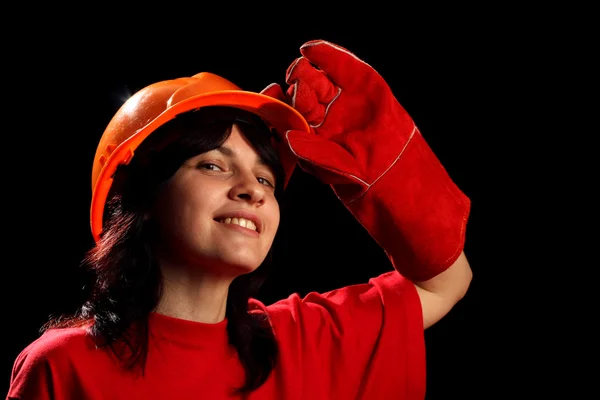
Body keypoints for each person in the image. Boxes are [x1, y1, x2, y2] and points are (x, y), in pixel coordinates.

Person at [6, 40, 473, 399]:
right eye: (213, 165)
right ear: (143, 199)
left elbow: (445, 282)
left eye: (267, 179)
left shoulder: (305, 341)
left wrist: (393, 174)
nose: (252, 189)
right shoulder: (61, 367)